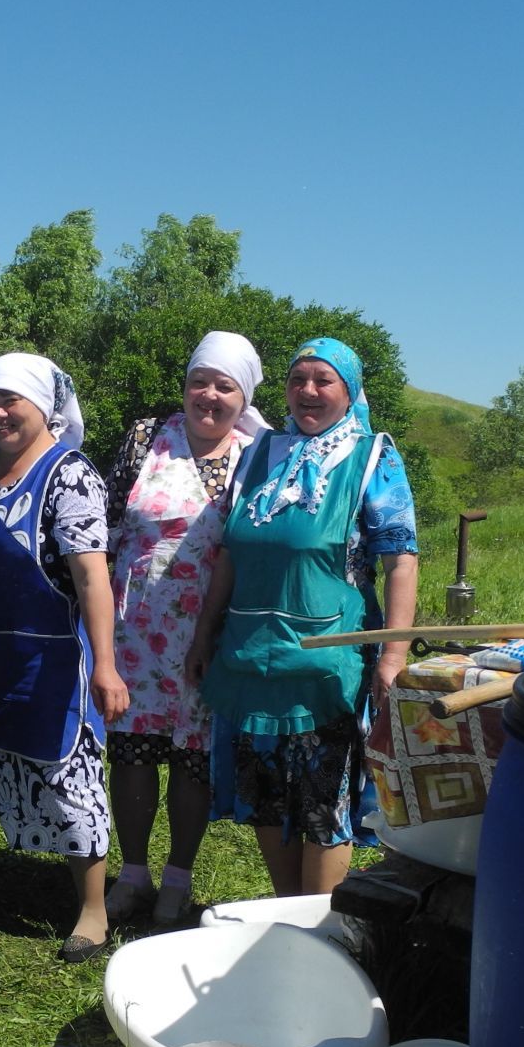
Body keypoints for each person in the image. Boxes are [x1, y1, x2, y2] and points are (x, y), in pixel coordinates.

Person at [187, 337, 420, 898]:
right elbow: (230, 553)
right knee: (265, 795)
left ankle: (321, 931)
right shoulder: (261, 454)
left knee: (324, 802)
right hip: (250, 655)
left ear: (349, 390)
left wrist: (394, 655)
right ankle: (286, 913)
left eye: (324, 380)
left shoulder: (371, 457)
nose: (308, 392)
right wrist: (204, 634)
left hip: (326, 664)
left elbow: (401, 561)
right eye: (298, 380)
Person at [0, 353, 129, 962]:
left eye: (11, 401)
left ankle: (92, 915)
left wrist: (105, 664)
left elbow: (93, 580)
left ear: (43, 406)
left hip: (48, 661)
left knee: (71, 781)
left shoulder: (68, 475)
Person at [103, 332, 271, 929]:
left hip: (212, 631)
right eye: (200, 380)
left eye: (224, 386)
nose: (209, 395)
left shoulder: (260, 452)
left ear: (242, 395)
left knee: (194, 759)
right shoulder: (148, 438)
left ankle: (177, 879)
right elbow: (104, 528)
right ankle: (132, 874)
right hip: (135, 628)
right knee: (131, 753)